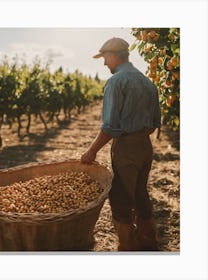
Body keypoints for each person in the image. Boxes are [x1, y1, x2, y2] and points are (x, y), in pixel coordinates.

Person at [81, 37, 161, 251]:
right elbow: (154, 124)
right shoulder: (148, 82)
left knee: (121, 198)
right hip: (145, 146)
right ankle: (149, 241)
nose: (105, 64)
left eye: (105, 58)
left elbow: (110, 127)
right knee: (140, 192)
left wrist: (91, 151)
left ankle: (128, 248)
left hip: (126, 147)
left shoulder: (116, 81)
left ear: (113, 56)